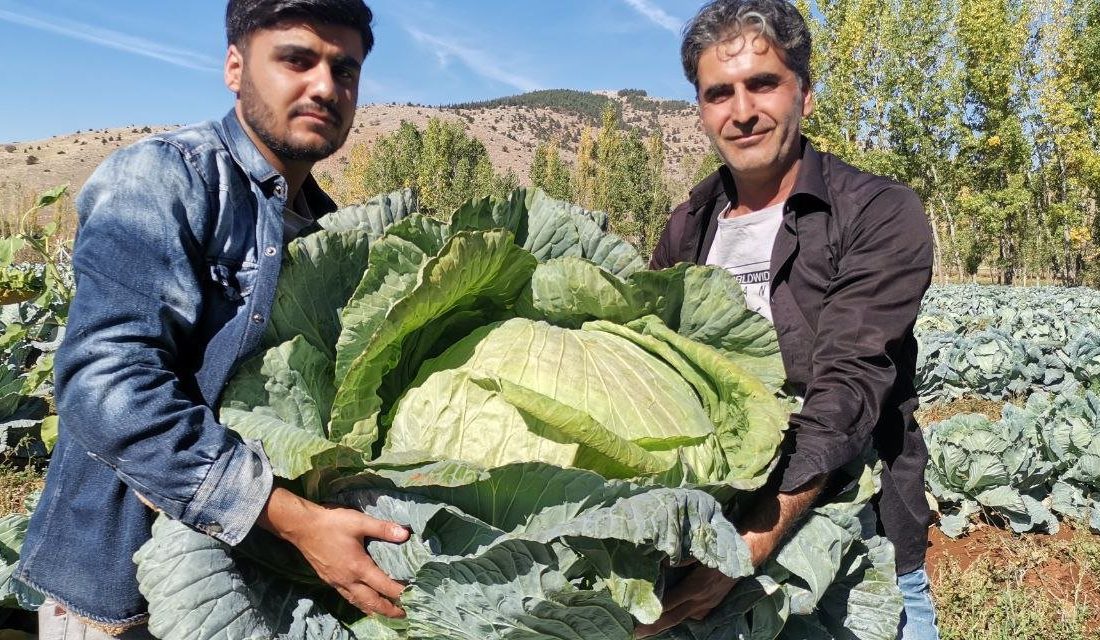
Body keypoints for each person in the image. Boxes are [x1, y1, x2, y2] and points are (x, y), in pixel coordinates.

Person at [16, 1, 410, 637]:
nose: (324, 87)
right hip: (120, 593)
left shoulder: (327, 229)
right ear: (235, 67)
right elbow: (104, 384)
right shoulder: (164, 178)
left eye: (345, 69)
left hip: (256, 585)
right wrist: (295, 521)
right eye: (296, 59)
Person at [637, 1, 939, 639]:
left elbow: (849, 386)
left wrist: (748, 541)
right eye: (719, 93)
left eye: (763, 83)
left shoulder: (877, 212)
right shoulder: (687, 226)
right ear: (700, 107)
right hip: (701, 549)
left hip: (854, 544)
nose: (741, 111)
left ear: (804, 88)